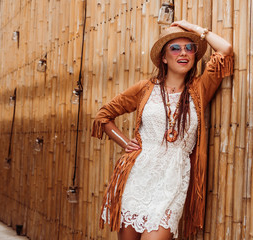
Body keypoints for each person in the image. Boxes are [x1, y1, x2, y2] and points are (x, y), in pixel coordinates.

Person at [91, 20, 233, 240]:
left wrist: (192, 28)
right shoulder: (145, 88)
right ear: (164, 58)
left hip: (172, 178)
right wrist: (124, 141)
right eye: (175, 48)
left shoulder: (199, 88)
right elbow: (104, 116)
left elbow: (225, 49)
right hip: (138, 174)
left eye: (189, 48)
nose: (183, 53)